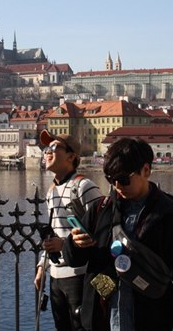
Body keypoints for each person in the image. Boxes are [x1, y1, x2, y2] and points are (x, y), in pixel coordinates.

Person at [62, 137, 173, 331]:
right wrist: (75, 243)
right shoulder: (101, 209)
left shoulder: (168, 216)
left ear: (146, 171)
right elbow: (73, 259)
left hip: (150, 319)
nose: (117, 185)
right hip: (104, 316)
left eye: (124, 179)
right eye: (111, 179)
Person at [34, 130, 103, 331]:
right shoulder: (52, 191)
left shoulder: (83, 186)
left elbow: (104, 230)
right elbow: (55, 233)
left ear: (72, 156)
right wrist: (42, 266)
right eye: (46, 148)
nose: (47, 152)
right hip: (56, 276)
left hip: (81, 275)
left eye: (54, 148)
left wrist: (65, 245)